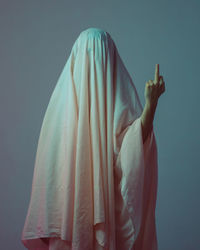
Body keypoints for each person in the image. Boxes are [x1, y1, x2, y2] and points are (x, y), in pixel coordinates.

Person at [21, 27, 165, 250]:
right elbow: (49, 176)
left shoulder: (120, 101)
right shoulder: (59, 111)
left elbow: (132, 148)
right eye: (88, 56)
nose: (93, 67)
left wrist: (150, 107)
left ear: (111, 60)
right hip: (67, 226)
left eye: (100, 58)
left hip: (108, 216)